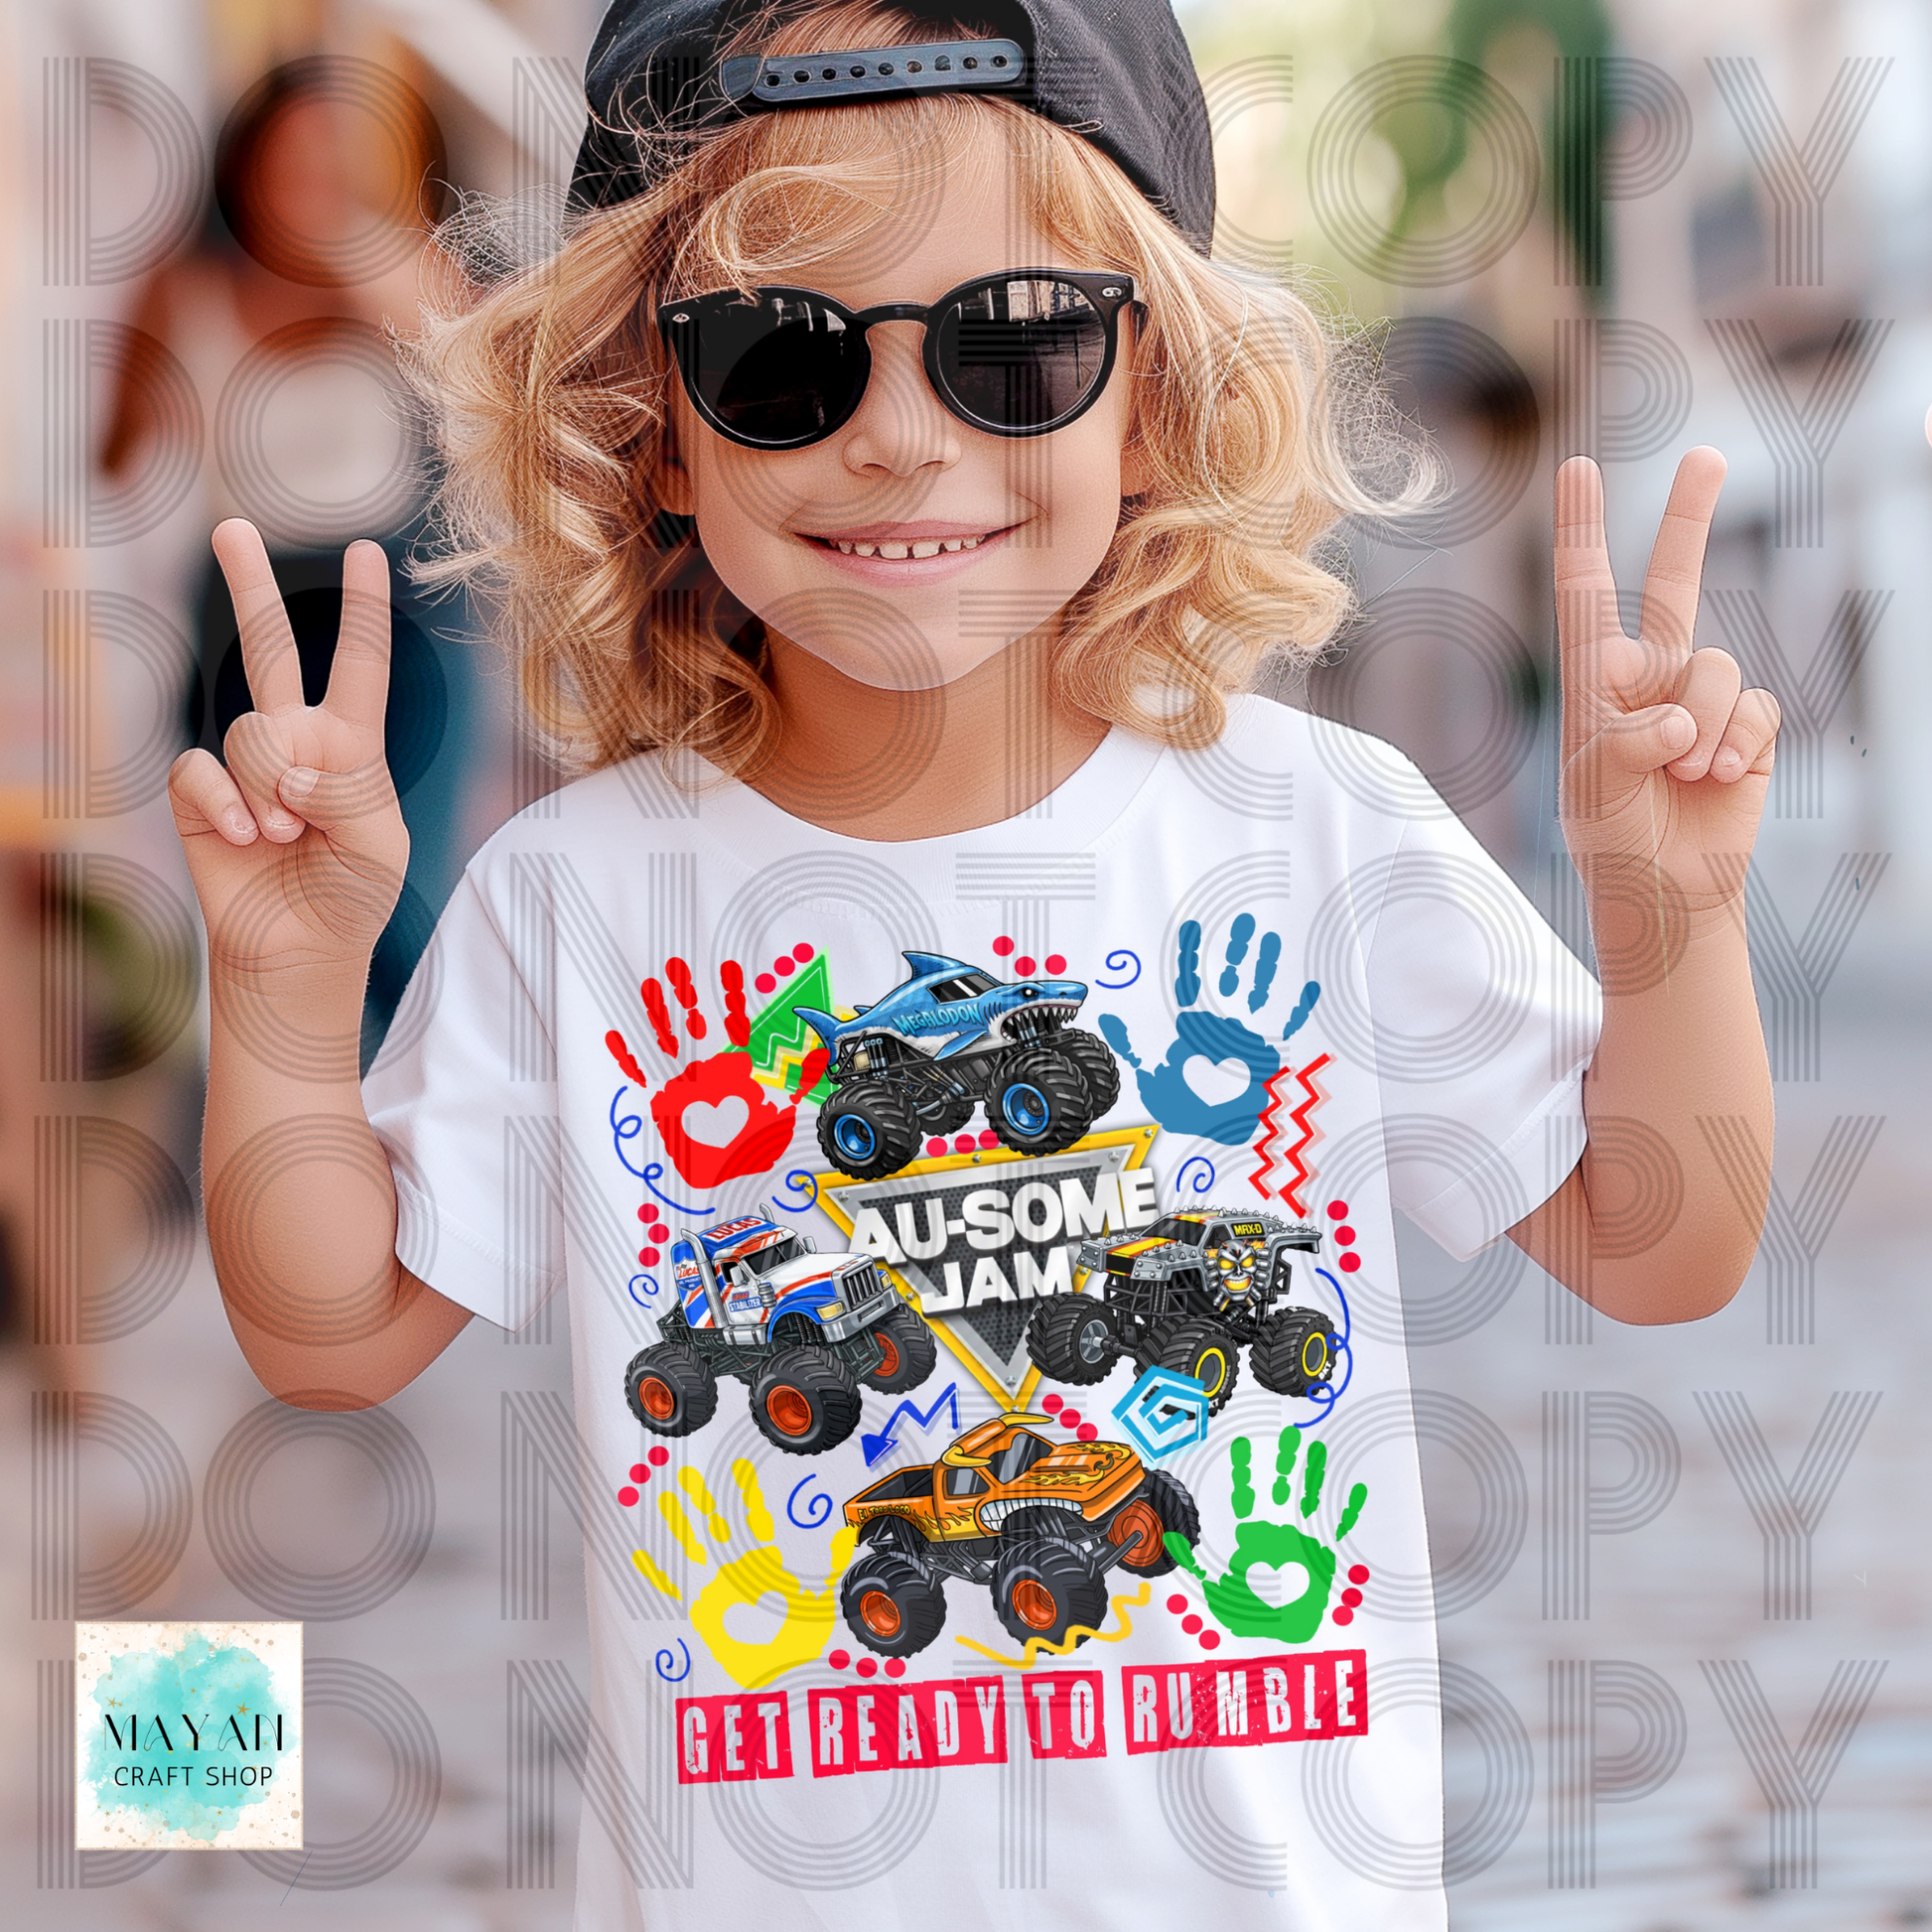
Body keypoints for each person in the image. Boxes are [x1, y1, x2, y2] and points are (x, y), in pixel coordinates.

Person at [165, 1, 1779, 1925]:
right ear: (652, 425)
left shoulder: (1318, 830)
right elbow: (331, 1331)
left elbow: (1662, 1245)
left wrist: (1668, 917)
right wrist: (282, 986)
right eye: (782, 359)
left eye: (1016, 344)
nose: (902, 435)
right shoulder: (575, 896)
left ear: (1151, 397)